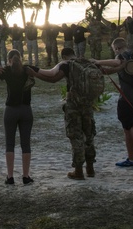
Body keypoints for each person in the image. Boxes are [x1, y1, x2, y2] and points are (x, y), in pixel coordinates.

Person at [32, 47, 99, 180]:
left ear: (63, 56)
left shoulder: (67, 65)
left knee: (76, 136)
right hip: (88, 104)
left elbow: (53, 78)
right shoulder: (86, 63)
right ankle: (90, 168)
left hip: (73, 105)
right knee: (89, 135)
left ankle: (78, 170)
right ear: (74, 53)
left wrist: (34, 73)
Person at [94, 38, 133, 167]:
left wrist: (97, 61)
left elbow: (117, 62)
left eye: (114, 49)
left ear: (117, 48)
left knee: (127, 129)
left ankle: (131, 159)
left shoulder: (122, 57)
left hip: (126, 99)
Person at [0, 50, 39, 184]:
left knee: (10, 144)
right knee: (26, 145)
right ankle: (26, 176)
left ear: (9, 59)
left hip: (10, 111)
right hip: (26, 110)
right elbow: (47, 73)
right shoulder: (28, 69)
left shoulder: (7, 71)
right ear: (21, 58)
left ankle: (10, 176)